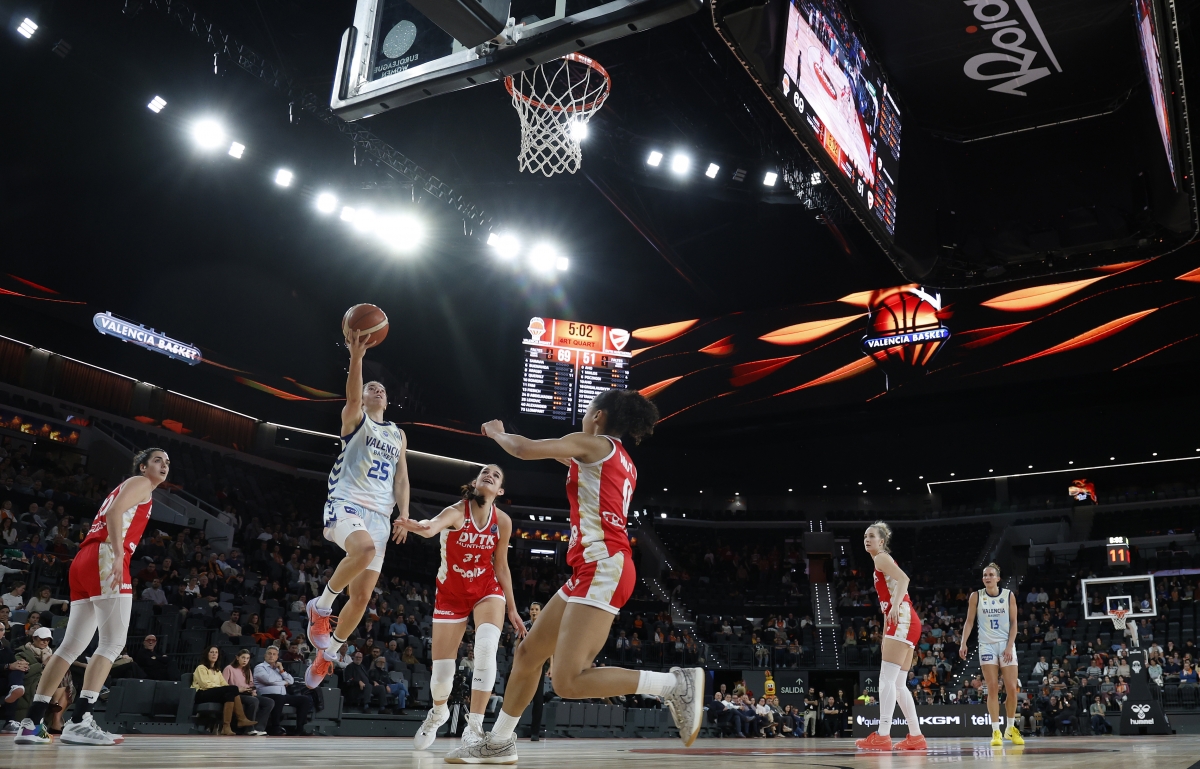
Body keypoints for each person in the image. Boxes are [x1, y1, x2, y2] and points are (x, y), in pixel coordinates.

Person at [444, 390, 702, 764]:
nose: (583, 417)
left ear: (598, 416)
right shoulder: (619, 459)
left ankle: (674, 684)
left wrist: (498, 432)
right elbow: (566, 457)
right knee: (529, 653)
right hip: (592, 568)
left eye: (587, 411)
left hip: (604, 565)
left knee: (568, 680)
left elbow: (523, 449)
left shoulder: (594, 444)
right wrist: (544, 447)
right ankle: (499, 741)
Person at [15, 448, 169, 747]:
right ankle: (80, 720)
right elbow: (113, 514)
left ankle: (31, 723)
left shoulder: (129, 486)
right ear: (142, 466)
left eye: (167, 462)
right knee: (112, 643)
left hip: (85, 559)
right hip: (105, 555)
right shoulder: (141, 483)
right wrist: (117, 555)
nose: (164, 466)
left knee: (70, 646)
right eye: (157, 461)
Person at [304, 332, 411, 688]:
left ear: (387, 400)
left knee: (363, 596)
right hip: (347, 501)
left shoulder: (397, 434)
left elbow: (401, 478)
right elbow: (352, 393)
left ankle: (328, 654)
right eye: (371, 388)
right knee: (363, 550)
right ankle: (321, 607)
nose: (377, 390)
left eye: (381, 389)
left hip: (381, 516)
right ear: (363, 398)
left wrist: (404, 515)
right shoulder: (355, 418)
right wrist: (357, 356)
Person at [398, 465, 525, 750]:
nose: (490, 474)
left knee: (486, 648)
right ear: (475, 482)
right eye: (484, 472)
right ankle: (438, 712)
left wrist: (512, 608)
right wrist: (416, 526)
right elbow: (431, 527)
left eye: (496, 475)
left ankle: (474, 726)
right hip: (451, 594)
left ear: (500, 491)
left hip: (486, 589)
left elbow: (501, 566)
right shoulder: (457, 511)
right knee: (442, 676)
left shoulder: (503, 521)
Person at [855, 522, 926, 751]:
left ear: (882, 541)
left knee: (886, 679)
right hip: (906, 620)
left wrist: (895, 606)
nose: (867, 539)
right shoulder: (880, 561)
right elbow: (887, 606)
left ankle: (883, 734)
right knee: (898, 684)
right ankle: (916, 736)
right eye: (865, 536)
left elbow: (904, 580)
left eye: (871, 536)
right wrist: (886, 632)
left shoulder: (881, 558)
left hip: (902, 617)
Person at [960, 563, 1024, 747]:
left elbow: (1014, 623)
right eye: (984, 575)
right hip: (986, 645)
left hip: (1005, 644)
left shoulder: (1008, 595)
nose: (987, 577)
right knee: (993, 688)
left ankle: (1010, 728)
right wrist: (963, 642)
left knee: (1011, 688)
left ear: (998, 578)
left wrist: (1009, 646)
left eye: (990, 575)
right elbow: (969, 621)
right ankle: (996, 731)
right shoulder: (976, 596)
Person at [191, 646, 256, 736]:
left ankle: (226, 727)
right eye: (212, 652)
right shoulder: (201, 668)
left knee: (230, 694)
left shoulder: (217, 671)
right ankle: (241, 719)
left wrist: (224, 689)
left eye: (216, 652)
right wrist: (221, 688)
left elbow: (224, 684)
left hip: (213, 693)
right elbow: (205, 684)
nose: (214, 654)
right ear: (207, 654)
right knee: (233, 689)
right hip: (202, 693)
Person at [253, 645, 312, 736]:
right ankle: (275, 727)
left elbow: (291, 681)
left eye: (274, 654)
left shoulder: (278, 669)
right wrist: (284, 682)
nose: (271, 656)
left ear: (277, 657)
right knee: (279, 698)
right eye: (269, 654)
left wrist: (281, 669)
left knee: (304, 699)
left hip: (282, 696)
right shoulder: (260, 667)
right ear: (265, 655)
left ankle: (300, 728)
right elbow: (268, 680)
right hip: (266, 695)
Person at [223, 649, 271, 735]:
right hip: (236, 694)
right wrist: (238, 689)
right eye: (243, 657)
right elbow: (224, 685)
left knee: (269, 702)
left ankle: (259, 728)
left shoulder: (247, 670)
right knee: (253, 701)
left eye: (247, 658)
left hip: (247, 693)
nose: (245, 660)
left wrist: (253, 691)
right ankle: (249, 729)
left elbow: (251, 684)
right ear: (237, 657)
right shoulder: (229, 668)